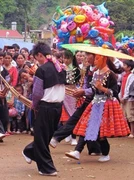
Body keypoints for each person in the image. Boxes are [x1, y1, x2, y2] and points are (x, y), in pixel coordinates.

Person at [67, 54, 130, 162]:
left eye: (97, 59)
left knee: (101, 133)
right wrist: (83, 92)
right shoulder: (95, 73)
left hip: (106, 106)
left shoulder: (111, 74)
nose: (95, 61)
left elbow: (114, 92)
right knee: (87, 126)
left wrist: (102, 88)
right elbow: (92, 89)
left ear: (104, 59)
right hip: (95, 103)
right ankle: (77, 151)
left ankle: (105, 154)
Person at [22, 42, 66, 176]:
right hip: (57, 107)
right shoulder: (61, 68)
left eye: (36, 58)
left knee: (42, 137)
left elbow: (36, 93)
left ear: (40, 55)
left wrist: (34, 106)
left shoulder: (42, 70)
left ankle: (40, 162)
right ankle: (41, 162)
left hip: (46, 106)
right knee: (45, 136)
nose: (36, 61)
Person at [50, 52, 101, 155]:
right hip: (87, 100)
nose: (86, 58)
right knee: (76, 119)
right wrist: (81, 91)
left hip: (98, 102)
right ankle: (57, 138)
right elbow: (86, 84)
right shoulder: (88, 69)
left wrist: (84, 91)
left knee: (89, 125)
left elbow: (99, 89)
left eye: (88, 55)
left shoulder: (103, 71)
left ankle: (83, 149)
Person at [119, 60, 134, 138]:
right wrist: (120, 96)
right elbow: (122, 87)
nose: (123, 66)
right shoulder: (124, 75)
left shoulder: (131, 76)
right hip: (123, 97)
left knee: (130, 115)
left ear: (129, 67)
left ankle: (132, 132)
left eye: (125, 65)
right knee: (124, 115)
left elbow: (129, 88)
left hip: (128, 99)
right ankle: (125, 131)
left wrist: (125, 97)